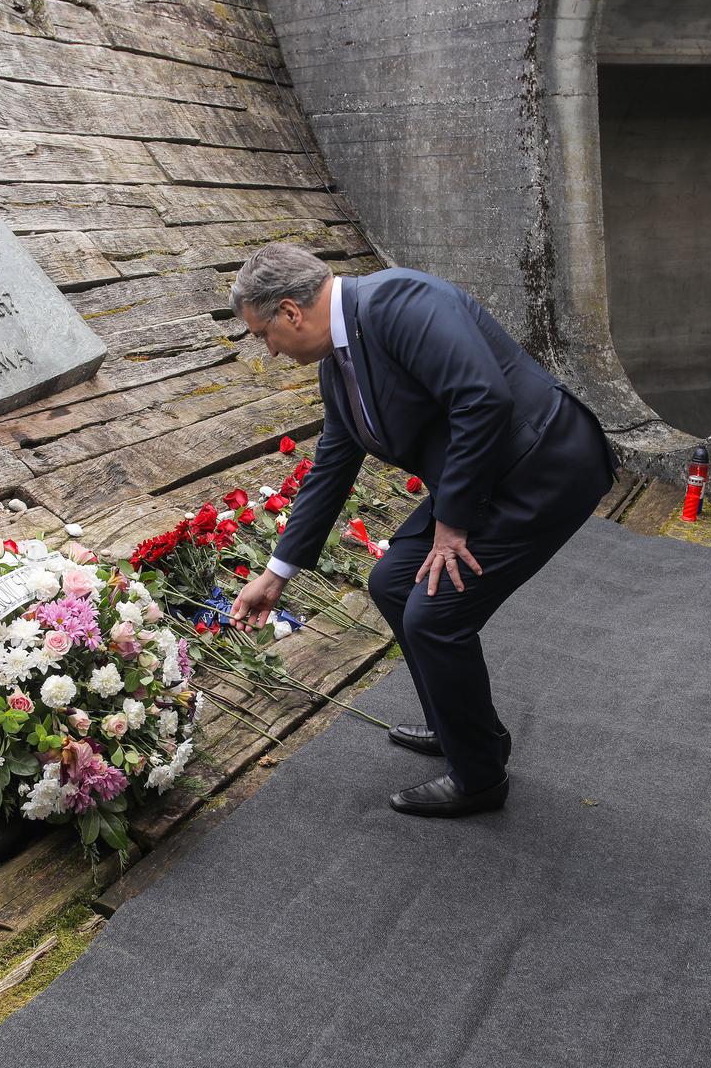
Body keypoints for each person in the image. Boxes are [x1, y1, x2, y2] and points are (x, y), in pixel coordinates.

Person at [228, 244, 616, 817]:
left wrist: (451, 524)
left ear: (290, 312)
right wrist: (275, 573)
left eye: (263, 334)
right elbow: (333, 465)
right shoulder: (339, 369)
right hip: (488, 478)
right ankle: (457, 726)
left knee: (434, 615)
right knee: (391, 582)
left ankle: (480, 777)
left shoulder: (401, 300)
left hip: (544, 468)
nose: (270, 349)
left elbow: (482, 399)